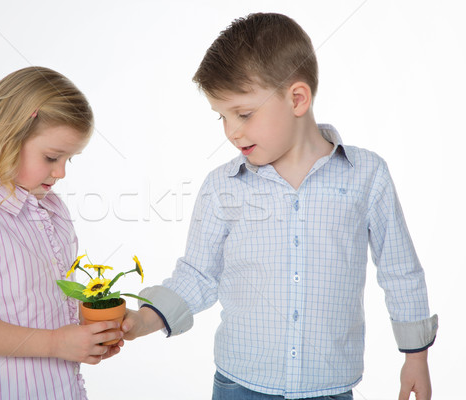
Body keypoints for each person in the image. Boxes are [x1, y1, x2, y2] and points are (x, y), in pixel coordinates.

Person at [122, 13, 437, 400]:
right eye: (222, 117)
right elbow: (197, 275)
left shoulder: (367, 175)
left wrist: (416, 357)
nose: (231, 131)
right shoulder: (223, 186)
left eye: (244, 113)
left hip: (329, 387)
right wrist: (142, 319)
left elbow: (400, 269)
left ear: (297, 98)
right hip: (239, 385)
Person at [0, 66, 123, 399]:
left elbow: (51, 298)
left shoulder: (51, 207)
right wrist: (55, 343)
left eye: (69, 159)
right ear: (7, 138)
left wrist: (89, 331)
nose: (61, 172)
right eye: (52, 157)